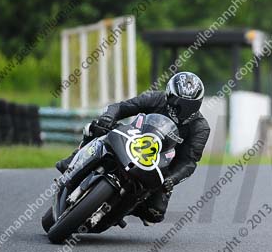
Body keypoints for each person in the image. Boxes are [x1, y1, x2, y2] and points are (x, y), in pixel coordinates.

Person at [55, 71, 210, 223]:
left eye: (189, 105)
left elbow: (189, 161)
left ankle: (122, 207)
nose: (180, 108)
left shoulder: (200, 128)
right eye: (176, 101)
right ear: (168, 94)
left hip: (161, 164)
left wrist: (172, 179)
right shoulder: (156, 98)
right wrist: (109, 116)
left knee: (155, 213)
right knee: (99, 128)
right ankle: (73, 161)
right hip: (133, 138)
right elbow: (123, 107)